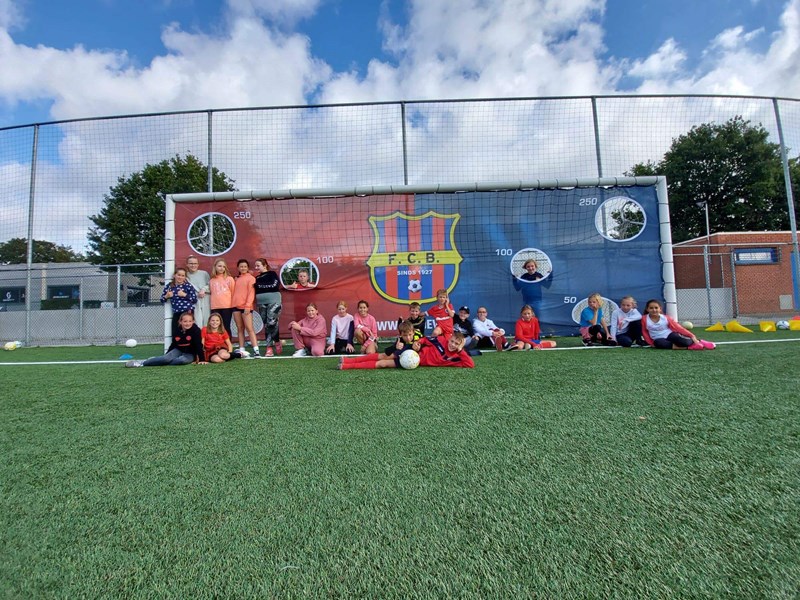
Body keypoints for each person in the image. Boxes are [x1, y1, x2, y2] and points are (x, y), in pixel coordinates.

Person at [126, 312, 205, 367]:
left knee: (181, 361)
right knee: (165, 358)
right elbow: (173, 344)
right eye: (185, 321)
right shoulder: (177, 330)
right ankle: (141, 363)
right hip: (178, 350)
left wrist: (202, 359)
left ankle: (156, 360)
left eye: (190, 321)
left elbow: (198, 345)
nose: (187, 323)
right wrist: (166, 356)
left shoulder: (196, 330)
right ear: (180, 322)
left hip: (190, 353)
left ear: (193, 321)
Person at [338, 320, 416, 369]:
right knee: (384, 356)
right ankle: (349, 361)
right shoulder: (400, 340)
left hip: (404, 361)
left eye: (410, 335)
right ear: (401, 335)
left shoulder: (417, 340)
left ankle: (348, 366)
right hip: (400, 356)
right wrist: (395, 347)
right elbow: (387, 352)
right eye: (405, 335)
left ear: (413, 332)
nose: (408, 337)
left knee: (382, 364)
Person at [641, 299, 716, 350]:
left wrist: (692, 336)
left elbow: (678, 328)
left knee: (683, 342)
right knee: (659, 344)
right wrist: (650, 343)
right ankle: (689, 347)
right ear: (647, 309)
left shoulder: (666, 318)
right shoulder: (644, 319)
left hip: (670, 335)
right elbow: (644, 332)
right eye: (651, 308)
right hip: (658, 339)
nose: (654, 310)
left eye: (656, 308)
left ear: (660, 309)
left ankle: (700, 342)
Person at [232, 259, 261, 358]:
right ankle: (242, 350)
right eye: (241, 266)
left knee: (249, 328)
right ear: (238, 268)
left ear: (248, 268)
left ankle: (256, 350)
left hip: (246, 307)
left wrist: (248, 306)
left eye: (245, 266)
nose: (243, 268)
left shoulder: (251, 278)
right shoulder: (236, 279)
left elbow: (251, 293)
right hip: (235, 307)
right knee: (240, 328)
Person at [254, 258, 282, 356]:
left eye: (258, 265)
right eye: (255, 266)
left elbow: (275, 285)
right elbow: (255, 288)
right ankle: (269, 347)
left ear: (265, 265)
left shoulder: (272, 274)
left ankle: (277, 341)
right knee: (266, 325)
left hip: (274, 301)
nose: (256, 267)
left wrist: (260, 286)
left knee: (272, 322)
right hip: (261, 303)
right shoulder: (256, 278)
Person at [160, 267, 197, 335]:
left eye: (183, 275)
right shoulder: (169, 286)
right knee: (176, 331)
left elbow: (194, 300)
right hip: (177, 311)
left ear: (185, 277)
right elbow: (162, 300)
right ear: (174, 275)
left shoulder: (188, 286)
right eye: (179, 275)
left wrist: (185, 295)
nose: (180, 277)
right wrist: (166, 296)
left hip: (187, 311)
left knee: (189, 330)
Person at [209, 258, 235, 336]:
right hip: (215, 307)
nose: (222, 268)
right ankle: (217, 342)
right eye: (219, 266)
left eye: (224, 266)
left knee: (226, 326)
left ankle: (228, 343)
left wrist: (233, 306)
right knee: (216, 327)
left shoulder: (230, 279)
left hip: (227, 307)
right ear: (215, 267)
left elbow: (233, 293)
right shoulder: (212, 280)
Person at [185, 255, 211, 329]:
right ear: (187, 264)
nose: (193, 265)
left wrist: (203, 289)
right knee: (197, 321)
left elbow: (210, 285)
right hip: (194, 301)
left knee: (207, 320)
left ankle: (207, 336)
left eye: (195, 263)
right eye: (191, 263)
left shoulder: (204, 273)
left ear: (198, 264)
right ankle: (199, 336)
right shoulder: (185, 276)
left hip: (206, 299)